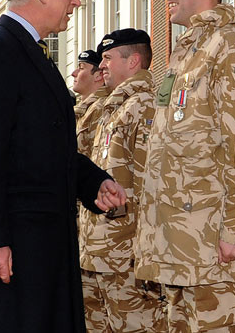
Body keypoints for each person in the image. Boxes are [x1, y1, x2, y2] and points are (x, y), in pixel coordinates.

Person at [0, 0, 126, 333]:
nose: (77, 0)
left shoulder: (29, 53)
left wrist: (92, 182)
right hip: (14, 251)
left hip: (42, 249)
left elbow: (42, 147)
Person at [134, 0, 235, 331]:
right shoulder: (185, 52)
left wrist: (234, 229)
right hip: (177, 240)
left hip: (211, 243)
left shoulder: (229, 46)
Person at [79, 28, 166, 333]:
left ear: (134, 62)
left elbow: (150, 184)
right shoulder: (112, 109)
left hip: (126, 256)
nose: (101, 66)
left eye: (108, 58)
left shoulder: (144, 107)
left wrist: (144, 251)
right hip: (100, 251)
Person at [72, 47, 111, 155]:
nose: (74, 73)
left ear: (98, 75)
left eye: (81, 68)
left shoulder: (101, 109)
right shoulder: (82, 110)